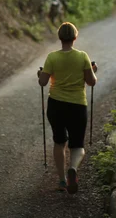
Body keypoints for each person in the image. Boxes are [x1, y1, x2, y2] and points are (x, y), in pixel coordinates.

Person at [37, 22, 97, 194]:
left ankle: (62, 180)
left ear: (60, 37)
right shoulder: (82, 57)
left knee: (59, 141)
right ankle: (73, 169)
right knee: (77, 145)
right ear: (75, 37)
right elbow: (91, 82)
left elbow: (42, 82)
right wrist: (94, 70)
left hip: (56, 105)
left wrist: (40, 74)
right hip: (77, 105)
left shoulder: (52, 57)